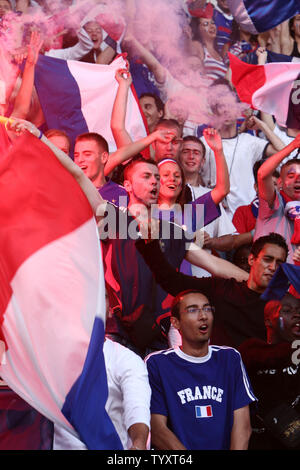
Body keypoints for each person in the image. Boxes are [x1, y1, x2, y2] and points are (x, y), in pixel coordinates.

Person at [136, 232, 288, 348]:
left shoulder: (285, 305)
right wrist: (150, 244)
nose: (273, 267)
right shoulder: (222, 288)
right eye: (267, 259)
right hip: (223, 378)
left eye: (279, 263)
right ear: (251, 260)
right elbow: (172, 281)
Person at [145, 289, 255, 450]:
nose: (203, 316)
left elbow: (243, 426)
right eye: (193, 310)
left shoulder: (230, 358)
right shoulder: (157, 363)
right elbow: (157, 429)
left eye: (207, 309)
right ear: (175, 322)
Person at [200, 81, 286, 219]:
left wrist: (262, 125)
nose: (227, 110)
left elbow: (284, 152)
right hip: (215, 218)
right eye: (222, 105)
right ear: (215, 110)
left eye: (231, 105)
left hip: (247, 217)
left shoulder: (249, 142)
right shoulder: (204, 142)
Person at [239, 293, 300, 450]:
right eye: (286, 310)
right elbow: (269, 356)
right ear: (268, 321)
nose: (297, 314)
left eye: (299, 309)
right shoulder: (251, 350)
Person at [256, 135, 300, 263]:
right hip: (270, 279)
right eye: (291, 176)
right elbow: (262, 174)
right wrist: (293, 145)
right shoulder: (274, 202)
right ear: (279, 183)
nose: (298, 180)